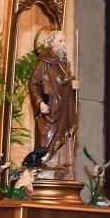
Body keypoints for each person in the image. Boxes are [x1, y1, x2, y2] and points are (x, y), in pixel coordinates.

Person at [26, 29, 79, 178]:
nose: (63, 44)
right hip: (51, 110)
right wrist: (40, 102)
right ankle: (47, 168)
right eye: (60, 41)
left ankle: (61, 168)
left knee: (64, 138)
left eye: (64, 41)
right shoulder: (44, 62)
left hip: (64, 109)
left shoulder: (64, 63)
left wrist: (73, 85)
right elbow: (33, 84)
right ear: (51, 43)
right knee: (48, 140)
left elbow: (65, 82)